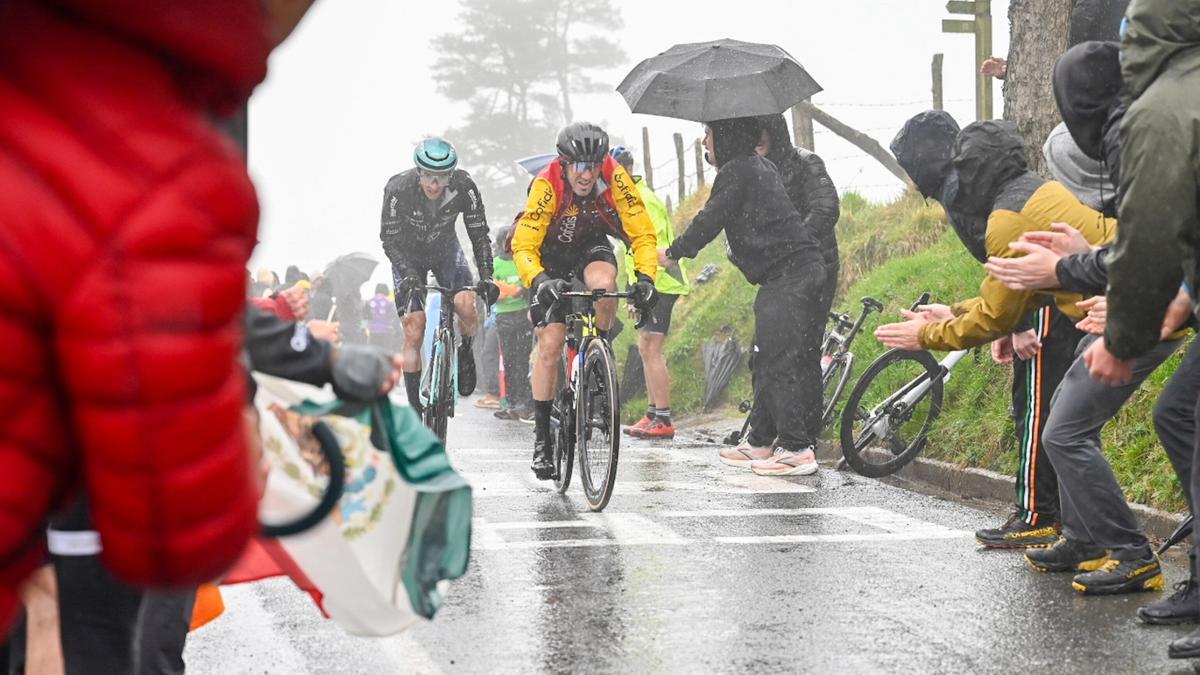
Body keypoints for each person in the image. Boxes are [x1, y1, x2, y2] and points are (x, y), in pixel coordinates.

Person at [877, 120, 1117, 549]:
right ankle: (1081, 535)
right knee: (1067, 425)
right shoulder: (1033, 188)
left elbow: (997, 310)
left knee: (1052, 421)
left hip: (1127, 300)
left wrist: (929, 334)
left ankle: (1054, 521)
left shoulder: (1000, 215)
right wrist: (955, 311)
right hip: (1113, 296)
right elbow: (1011, 290)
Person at [1079, 0, 1200, 658]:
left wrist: (1123, 339)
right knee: (1179, 413)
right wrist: (1184, 301)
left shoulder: (1164, 108)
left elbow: (1149, 234)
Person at [660, 117, 826, 476]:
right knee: (763, 356)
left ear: (726, 136)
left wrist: (673, 252)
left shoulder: (739, 171)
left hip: (792, 273)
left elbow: (710, 219)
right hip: (790, 273)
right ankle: (761, 441)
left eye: (708, 134)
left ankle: (797, 448)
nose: (705, 142)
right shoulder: (755, 166)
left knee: (779, 358)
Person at [511, 122, 658, 479]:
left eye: (593, 165)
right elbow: (524, 242)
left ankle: (597, 355)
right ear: (564, 163)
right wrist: (540, 280)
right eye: (579, 165)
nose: (587, 174)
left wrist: (646, 277)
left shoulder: (614, 176)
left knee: (605, 284)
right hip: (550, 257)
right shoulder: (547, 184)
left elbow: (642, 229)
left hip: (591, 246)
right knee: (551, 343)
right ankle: (543, 436)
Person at [380, 137, 499, 413]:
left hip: (445, 250)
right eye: (429, 177)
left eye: (442, 178)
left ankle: (466, 347)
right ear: (419, 171)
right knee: (414, 326)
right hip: (407, 256)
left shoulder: (464, 185)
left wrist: (487, 275)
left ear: (451, 174)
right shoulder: (398, 188)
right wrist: (408, 273)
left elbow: (479, 233)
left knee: (467, 306)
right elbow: (389, 238)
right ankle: (413, 409)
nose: (435, 185)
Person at [611, 147, 689, 440]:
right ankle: (653, 413)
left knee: (651, 347)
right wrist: (634, 291)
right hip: (648, 282)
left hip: (662, 282)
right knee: (644, 346)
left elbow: (653, 250)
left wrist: (644, 287)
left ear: (629, 170)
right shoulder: (629, 199)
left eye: (618, 174)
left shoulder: (644, 200)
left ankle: (664, 418)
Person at [757, 114, 841, 321]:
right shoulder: (752, 173)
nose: (757, 137)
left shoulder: (805, 162)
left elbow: (826, 208)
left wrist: (793, 248)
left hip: (816, 267)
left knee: (804, 343)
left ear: (775, 130)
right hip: (777, 275)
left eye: (763, 129)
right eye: (751, 130)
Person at [491, 227, 535, 422]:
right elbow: (492, 293)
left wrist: (515, 290)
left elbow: (527, 287)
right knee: (509, 361)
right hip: (504, 318)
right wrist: (511, 290)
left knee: (523, 360)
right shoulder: (495, 264)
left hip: (523, 316)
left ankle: (525, 403)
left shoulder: (523, 261)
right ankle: (510, 401)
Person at [365, 283, 401, 351]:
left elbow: (365, 318)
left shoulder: (369, 302)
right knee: (385, 354)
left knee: (374, 353)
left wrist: (364, 330)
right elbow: (395, 318)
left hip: (373, 332)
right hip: (386, 333)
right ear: (386, 291)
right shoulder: (390, 303)